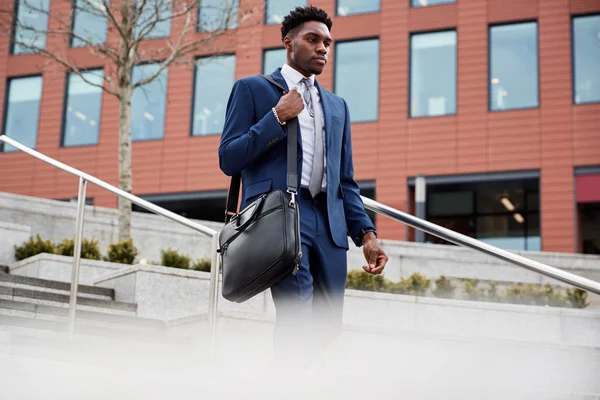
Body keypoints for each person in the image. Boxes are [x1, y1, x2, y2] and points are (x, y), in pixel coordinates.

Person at [218, 5, 388, 368]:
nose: (322, 48)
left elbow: (346, 181)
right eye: (313, 40)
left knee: (329, 325)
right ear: (288, 43)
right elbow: (229, 158)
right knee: (297, 316)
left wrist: (367, 234)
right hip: (281, 219)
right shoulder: (252, 90)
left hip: (329, 223)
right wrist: (277, 116)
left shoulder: (337, 107)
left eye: (327, 42)